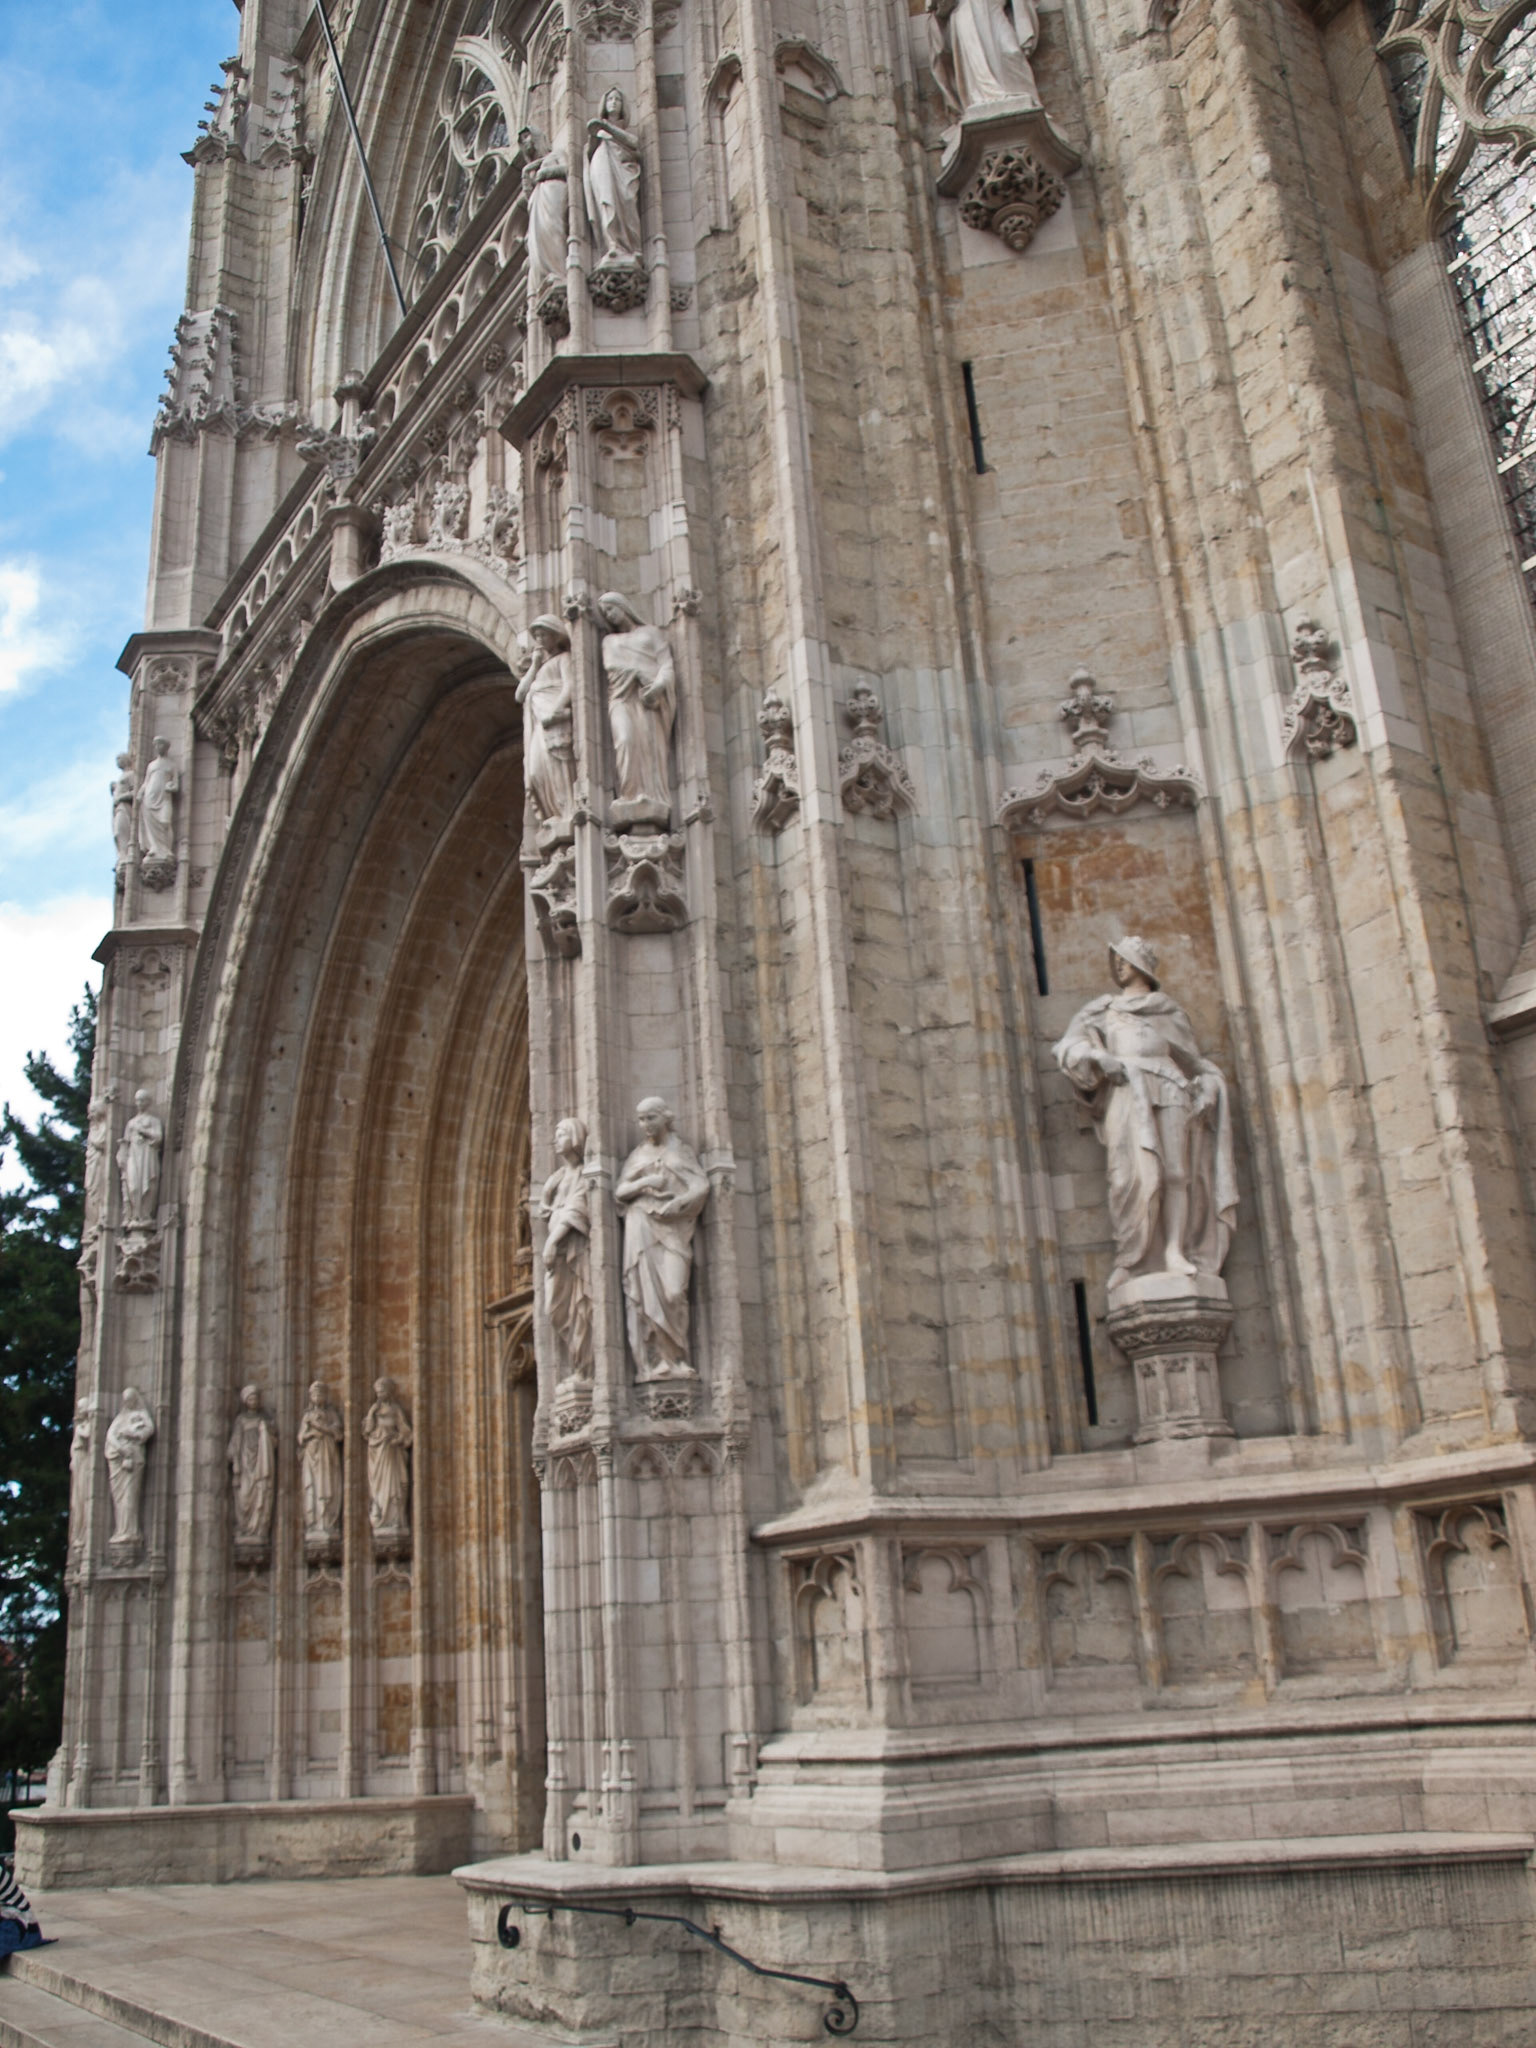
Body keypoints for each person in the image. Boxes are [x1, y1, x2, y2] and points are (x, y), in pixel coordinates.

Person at [1053, 937, 1237, 1291]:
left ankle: (1173, 1251)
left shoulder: (1167, 1011)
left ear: (1141, 964)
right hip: (1126, 1090)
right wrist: (1098, 1058)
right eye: (1116, 960)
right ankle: (1131, 1258)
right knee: (1126, 1176)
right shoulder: (1103, 1009)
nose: (1118, 966)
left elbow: (1197, 1064)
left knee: (1176, 1172)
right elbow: (1067, 1046)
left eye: (1124, 959)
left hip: (1169, 1087)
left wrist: (1212, 1086)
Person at [614, 1098, 709, 1379]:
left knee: (674, 1292)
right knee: (646, 1298)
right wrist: (645, 1183)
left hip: (674, 1231)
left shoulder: (680, 1151)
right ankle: (656, 1362)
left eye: (651, 1118)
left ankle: (677, 1356)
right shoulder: (637, 1156)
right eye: (641, 1119)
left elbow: (700, 1185)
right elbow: (620, 1191)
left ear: (666, 1119)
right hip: (641, 1227)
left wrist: (679, 1204)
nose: (645, 1125)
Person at [598, 591, 676, 825]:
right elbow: (612, 667)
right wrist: (639, 673)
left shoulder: (651, 634)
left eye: (611, 609)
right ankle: (629, 794)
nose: (609, 616)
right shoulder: (609, 641)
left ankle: (650, 795)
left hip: (648, 699)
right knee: (625, 740)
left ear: (624, 606)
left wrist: (658, 686)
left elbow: (667, 666)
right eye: (605, 613)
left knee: (650, 745)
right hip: (622, 698)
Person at [926, 0, 1041, 122]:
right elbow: (938, 8)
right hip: (967, 10)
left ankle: (1025, 99)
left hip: (995, 8)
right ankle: (985, 98)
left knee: (1011, 52)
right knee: (977, 57)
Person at [540, 1118, 593, 1376]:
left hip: (575, 1250)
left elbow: (577, 1209)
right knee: (555, 1309)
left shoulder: (584, 1173)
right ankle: (577, 1363)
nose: (555, 1140)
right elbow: (545, 1206)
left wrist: (552, 1240)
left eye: (560, 1134)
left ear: (574, 1137)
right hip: (557, 1255)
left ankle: (585, 1367)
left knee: (580, 1306)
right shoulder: (557, 1177)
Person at [518, 616, 577, 837]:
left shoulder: (564, 659)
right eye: (537, 636)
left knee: (558, 766)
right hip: (539, 725)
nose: (540, 639)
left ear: (555, 635)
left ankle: (567, 812)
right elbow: (520, 694)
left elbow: (570, 686)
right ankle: (554, 813)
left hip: (554, 721)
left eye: (544, 634)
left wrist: (555, 711)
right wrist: (534, 664)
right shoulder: (540, 668)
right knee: (534, 773)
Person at [584, 88, 643, 267]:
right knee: (606, 201)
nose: (614, 102)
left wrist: (607, 128)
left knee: (626, 199)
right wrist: (595, 133)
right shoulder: (599, 133)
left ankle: (629, 246)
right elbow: (588, 151)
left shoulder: (618, 132)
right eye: (610, 99)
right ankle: (613, 244)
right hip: (602, 165)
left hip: (623, 170)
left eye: (617, 99)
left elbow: (634, 143)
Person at [105, 1387, 156, 1546]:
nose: (128, 1403)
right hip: (120, 1460)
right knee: (119, 1497)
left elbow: (149, 1429)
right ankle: (121, 1530)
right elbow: (110, 1435)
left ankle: (131, 1531)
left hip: (134, 1460)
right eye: (125, 1400)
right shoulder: (121, 1418)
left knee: (130, 1496)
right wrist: (121, 1449)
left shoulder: (141, 1415)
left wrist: (133, 1434)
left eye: (130, 1400)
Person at [227, 1385, 277, 1550]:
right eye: (250, 1398)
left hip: (260, 1463)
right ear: (245, 1401)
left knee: (260, 1491)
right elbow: (235, 1444)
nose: (253, 1401)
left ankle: (258, 1528)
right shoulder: (241, 1420)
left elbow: (274, 1442)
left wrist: (267, 1433)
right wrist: (236, 1464)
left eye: (255, 1398)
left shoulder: (264, 1421)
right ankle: (245, 1527)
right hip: (245, 1463)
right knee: (244, 1496)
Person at [520, 127, 568, 293]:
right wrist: (526, 175)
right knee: (540, 240)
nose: (526, 142)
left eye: (528, 137)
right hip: (539, 202)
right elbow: (528, 193)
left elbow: (568, 170)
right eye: (523, 140)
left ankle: (559, 271)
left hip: (554, 195)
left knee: (554, 231)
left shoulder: (555, 155)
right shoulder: (531, 169)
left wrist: (543, 173)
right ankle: (548, 275)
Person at [363, 1378, 412, 1538]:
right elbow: (367, 1431)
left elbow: (405, 1430)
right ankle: (382, 1518)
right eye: (378, 1392)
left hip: (392, 1452)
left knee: (395, 1487)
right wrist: (371, 1412)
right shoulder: (374, 1411)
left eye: (383, 1391)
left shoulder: (395, 1410)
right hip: (378, 1454)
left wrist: (398, 1438)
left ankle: (395, 1518)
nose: (380, 1394)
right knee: (379, 1487)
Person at [299, 1381, 344, 1544]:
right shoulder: (307, 1416)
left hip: (328, 1456)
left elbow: (338, 1434)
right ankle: (315, 1522)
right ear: (310, 1397)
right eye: (315, 1394)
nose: (318, 1397)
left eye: (321, 1394)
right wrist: (312, 1435)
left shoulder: (331, 1414)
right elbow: (300, 1437)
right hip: (312, 1457)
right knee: (313, 1487)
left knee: (328, 1486)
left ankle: (328, 1522)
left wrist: (321, 1428)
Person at [117, 1090, 163, 1228]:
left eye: (142, 1100)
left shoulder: (154, 1121)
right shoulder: (131, 1123)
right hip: (134, 1156)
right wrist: (121, 1157)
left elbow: (158, 1138)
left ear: (148, 1102)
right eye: (137, 1100)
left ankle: (145, 1216)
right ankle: (135, 1215)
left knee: (148, 1184)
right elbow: (125, 1143)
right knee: (134, 1187)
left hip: (147, 1156)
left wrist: (144, 1132)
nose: (139, 1103)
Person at [136, 736, 178, 861]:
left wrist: (171, 787)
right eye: (156, 745)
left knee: (165, 822)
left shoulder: (171, 765)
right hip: (150, 797)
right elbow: (146, 782)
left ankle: (166, 849)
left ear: (165, 747)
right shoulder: (151, 765)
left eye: (160, 745)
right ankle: (155, 847)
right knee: (151, 824)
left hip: (164, 798)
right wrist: (140, 793)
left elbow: (176, 784)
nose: (157, 747)